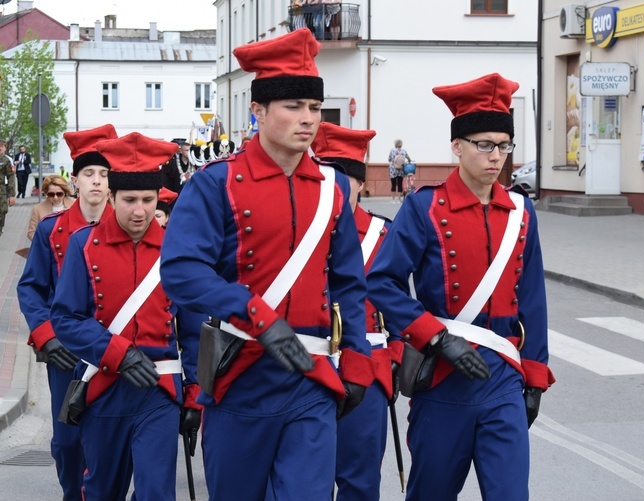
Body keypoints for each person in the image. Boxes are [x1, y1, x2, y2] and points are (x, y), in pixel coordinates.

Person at [160, 29, 375, 500]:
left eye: (315, 108)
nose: (308, 120)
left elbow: (349, 284)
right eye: (293, 107)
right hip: (242, 377)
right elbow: (180, 271)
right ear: (257, 111)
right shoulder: (217, 184)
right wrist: (255, 312)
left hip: (310, 378)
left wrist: (357, 360)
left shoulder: (330, 190)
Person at [368, 73, 555, 500]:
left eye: (503, 145)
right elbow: (381, 281)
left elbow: (532, 299)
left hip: (504, 379)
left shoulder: (521, 212)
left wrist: (535, 377)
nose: (496, 157)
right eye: (484, 144)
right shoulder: (424, 207)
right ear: (457, 146)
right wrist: (434, 336)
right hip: (442, 381)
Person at [49, 131, 201, 500]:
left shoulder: (176, 251)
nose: (140, 210)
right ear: (112, 197)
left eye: (148, 200)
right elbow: (66, 318)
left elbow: (194, 331)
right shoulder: (83, 245)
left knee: (156, 493)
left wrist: (194, 394)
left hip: (159, 392)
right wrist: (119, 352)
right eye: (130, 199)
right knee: (102, 491)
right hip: (104, 389)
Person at [16, 124, 117, 500]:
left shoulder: (125, 227)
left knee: (108, 436)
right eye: (89, 174)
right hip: (66, 353)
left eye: (104, 174)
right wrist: (46, 336)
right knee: (67, 442)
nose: (96, 182)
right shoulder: (51, 230)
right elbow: (31, 288)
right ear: (75, 180)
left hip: (111, 348)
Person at [311, 122, 401, 500]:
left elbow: (399, 306)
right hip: (310, 366)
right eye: (325, 176)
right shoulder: (302, 230)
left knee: (360, 482)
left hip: (368, 370)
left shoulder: (384, 234)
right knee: (306, 481)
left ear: (361, 184)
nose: (334, 186)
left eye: (344, 178)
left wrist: (393, 361)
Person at [26, 174, 76, 240]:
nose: (55, 197)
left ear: (64, 192)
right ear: (46, 193)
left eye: (59, 194)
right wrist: (44, 242)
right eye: (51, 194)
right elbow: (31, 233)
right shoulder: (38, 209)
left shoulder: (75, 204)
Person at [388, 139, 411, 203]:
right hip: (401, 170)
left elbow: (389, 159)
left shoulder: (392, 150)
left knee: (393, 184)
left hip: (393, 170)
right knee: (400, 184)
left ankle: (393, 200)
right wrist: (408, 161)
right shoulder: (404, 151)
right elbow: (409, 158)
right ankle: (399, 199)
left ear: (395, 144)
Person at [0, 140, 16, 236]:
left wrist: (11, 195)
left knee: (3, 210)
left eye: (1, 146)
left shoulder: (5, 160)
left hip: (2, 189)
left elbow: (11, 176)